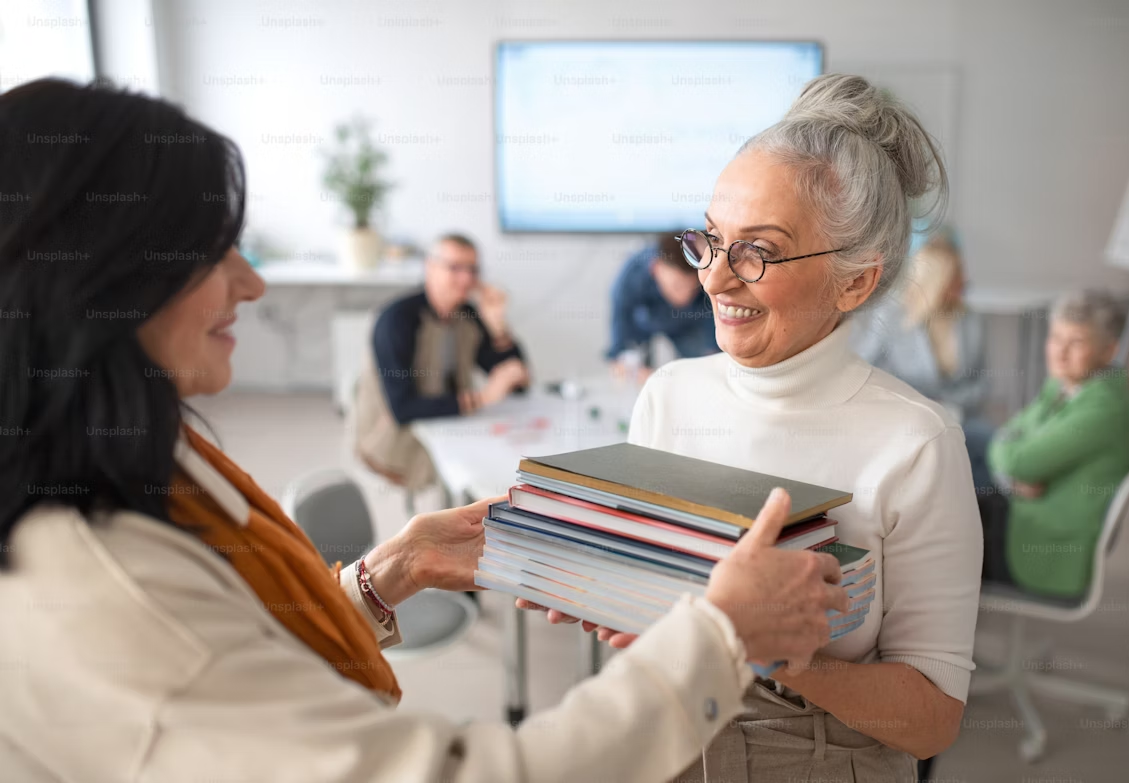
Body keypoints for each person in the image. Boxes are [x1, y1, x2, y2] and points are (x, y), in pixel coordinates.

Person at [0, 79, 850, 783]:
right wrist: (722, 634)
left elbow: (250, 664)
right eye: (214, 252)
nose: (252, 284)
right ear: (99, 279)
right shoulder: (115, 597)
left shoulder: (146, 458)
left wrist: (386, 575)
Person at [530, 74, 983, 782]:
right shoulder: (669, 394)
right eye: (709, 240)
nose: (713, 278)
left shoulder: (917, 443)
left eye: (757, 252)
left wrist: (782, 653)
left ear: (855, 282)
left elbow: (932, 719)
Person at [980, 290, 1129, 598]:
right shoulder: (1065, 384)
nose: (1059, 352)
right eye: (1055, 337)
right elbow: (1009, 436)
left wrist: (1008, 464)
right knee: (962, 471)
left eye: (1076, 341)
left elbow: (1017, 459)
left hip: (1045, 542)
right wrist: (1011, 478)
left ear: (1108, 351)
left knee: (943, 523)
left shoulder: (1104, 408)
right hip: (1027, 511)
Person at [352, 234, 529, 490]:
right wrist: (482, 398)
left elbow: (518, 381)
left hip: (450, 422)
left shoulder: (466, 315)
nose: (466, 278)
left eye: (472, 269)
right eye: (455, 268)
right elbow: (402, 409)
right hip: (394, 437)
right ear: (430, 267)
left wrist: (498, 325)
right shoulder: (396, 320)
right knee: (483, 476)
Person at [851, 229, 993, 489]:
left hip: (957, 418)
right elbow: (862, 371)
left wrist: (949, 405)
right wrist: (922, 404)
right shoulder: (891, 317)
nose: (965, 281)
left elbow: (981, 385)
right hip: (901, 418)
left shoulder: (970, 320)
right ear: (937, 280)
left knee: (989, 447)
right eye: (956, 275)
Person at [606, 231, 718, 379]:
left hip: (689, 324)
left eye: (691, 287)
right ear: (656, 268)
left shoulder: (707, 276)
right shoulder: (633, 273)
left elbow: (713, 319)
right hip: (643, 324)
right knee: (634, 370)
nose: (684, 296)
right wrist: (620, 354)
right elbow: (620, 316)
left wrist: (713, 355)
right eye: (676, 286)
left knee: (704, 369)